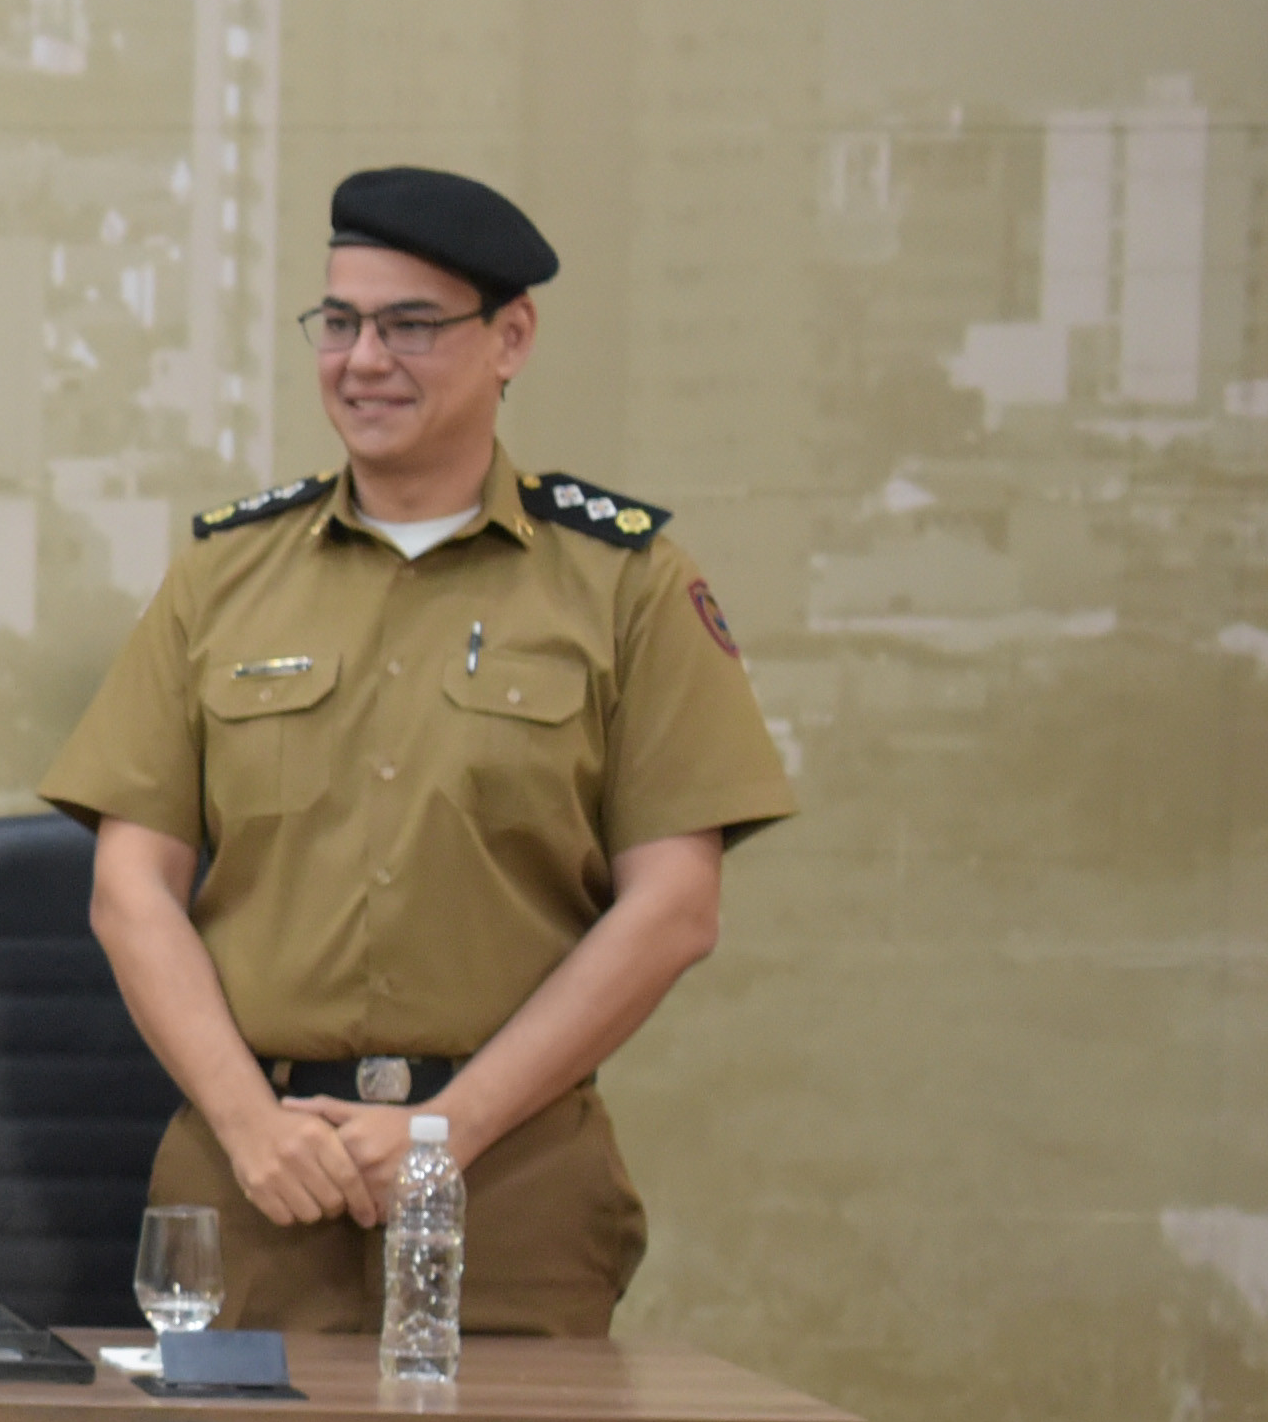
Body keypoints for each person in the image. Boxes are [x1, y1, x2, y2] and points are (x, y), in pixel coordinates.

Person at [41, 166, 799, 1335]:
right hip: (259, 1189)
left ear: (511, 339)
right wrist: (250, 1128)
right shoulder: (223, 575)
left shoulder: (626, 583)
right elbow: (129, 887)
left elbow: (675, 907)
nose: (363, 361)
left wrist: (447, 1132)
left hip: (512, 1190)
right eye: (339, 324)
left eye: (410, 326)